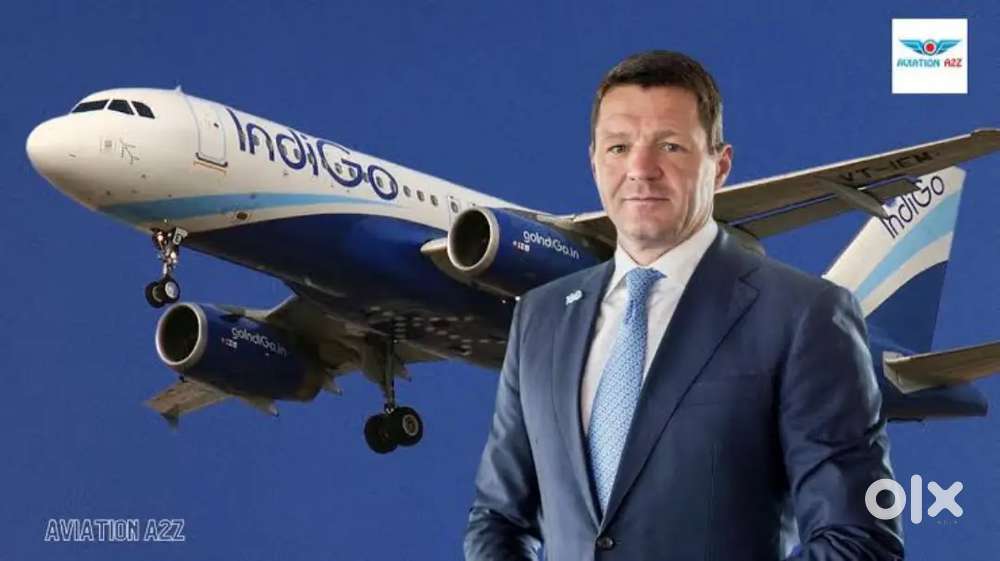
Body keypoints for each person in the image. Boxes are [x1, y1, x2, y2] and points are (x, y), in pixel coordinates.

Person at [463, 51, 903, 561]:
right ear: (593, 161)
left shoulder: (804, 314)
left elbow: (859, 542)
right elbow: (497, 518)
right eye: (618, 147)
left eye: (670, 146)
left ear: (721, 166)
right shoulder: (541, 316)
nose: (640, 170)